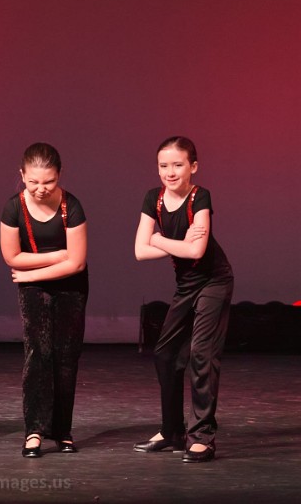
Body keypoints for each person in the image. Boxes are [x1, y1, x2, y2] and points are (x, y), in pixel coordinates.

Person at [133, 136, 233, 463]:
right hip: (187, 284)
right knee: (165, 354)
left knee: (201, 355)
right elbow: (140, 251)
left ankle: (202, 436)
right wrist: (173, 242)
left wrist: (159, 239)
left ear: (193, 167)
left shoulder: (200, 197)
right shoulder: (154, 198)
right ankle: (172, 431)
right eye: (164, 165)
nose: (170, 172)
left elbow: (197, 251)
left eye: (178, 165)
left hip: (214, 281)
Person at [0, 142, 88, 458]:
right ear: (22, 175)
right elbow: (12, 256)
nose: (40, 188)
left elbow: (77, 264)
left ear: (59, 175)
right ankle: (34, 431)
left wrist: (31, 274)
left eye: (48, 182)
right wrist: (59, 255)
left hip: (70, 287)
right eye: (33, 181)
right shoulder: (14, 207)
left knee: (66, 356)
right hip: (34, 289)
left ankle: (62, 431)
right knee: (38, 353)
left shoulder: (71, 206)